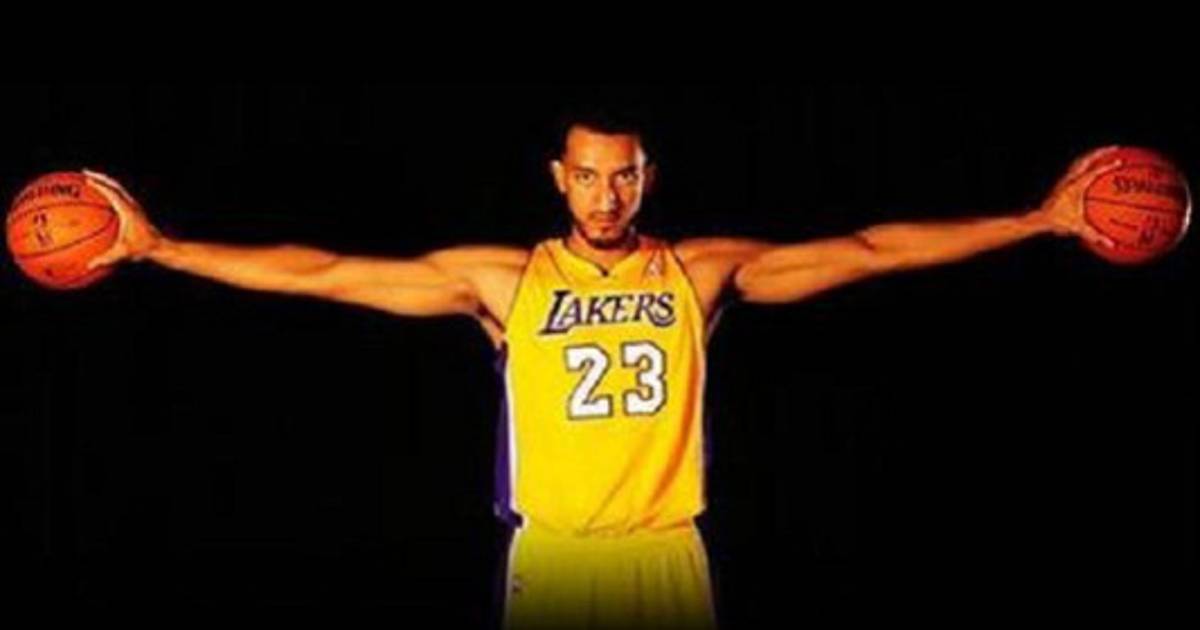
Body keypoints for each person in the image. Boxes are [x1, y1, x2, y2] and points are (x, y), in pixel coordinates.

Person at [82, 110, 1121, 629]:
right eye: (586, 176)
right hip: (560, 557)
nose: (605, 196)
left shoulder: (700, 274)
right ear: (560, 178)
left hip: (668, 553)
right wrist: (162, 248)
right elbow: (323, 273)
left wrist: (1038, 220)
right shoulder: (505, 282)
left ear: (645, 178)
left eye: (622, 176)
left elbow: (871, 250)